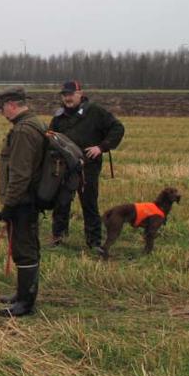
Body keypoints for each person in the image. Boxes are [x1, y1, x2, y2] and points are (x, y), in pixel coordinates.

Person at [49, 80, 125, 254]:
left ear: (80, 93)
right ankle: (59, 237)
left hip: (88, 167)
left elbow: (117, 128)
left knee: (89, 203)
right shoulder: (59, 117)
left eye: (70, 94)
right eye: (64, 95)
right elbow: (51, 137)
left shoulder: (95, 111)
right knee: (61, 202)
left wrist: (101, 147)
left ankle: (94, 242)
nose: (67, 98)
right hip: (64, 166)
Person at [0, 86, 46, 318]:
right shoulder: (34, 124)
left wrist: (9, 205)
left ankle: (25, 303)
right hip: (26, 199)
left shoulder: (24, 131)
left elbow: (20, 174)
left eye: (3, 107)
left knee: (25, 250)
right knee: (24, 248)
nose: (2, 112)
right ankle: (22, 294)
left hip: (23, 201)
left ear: (12, 105)